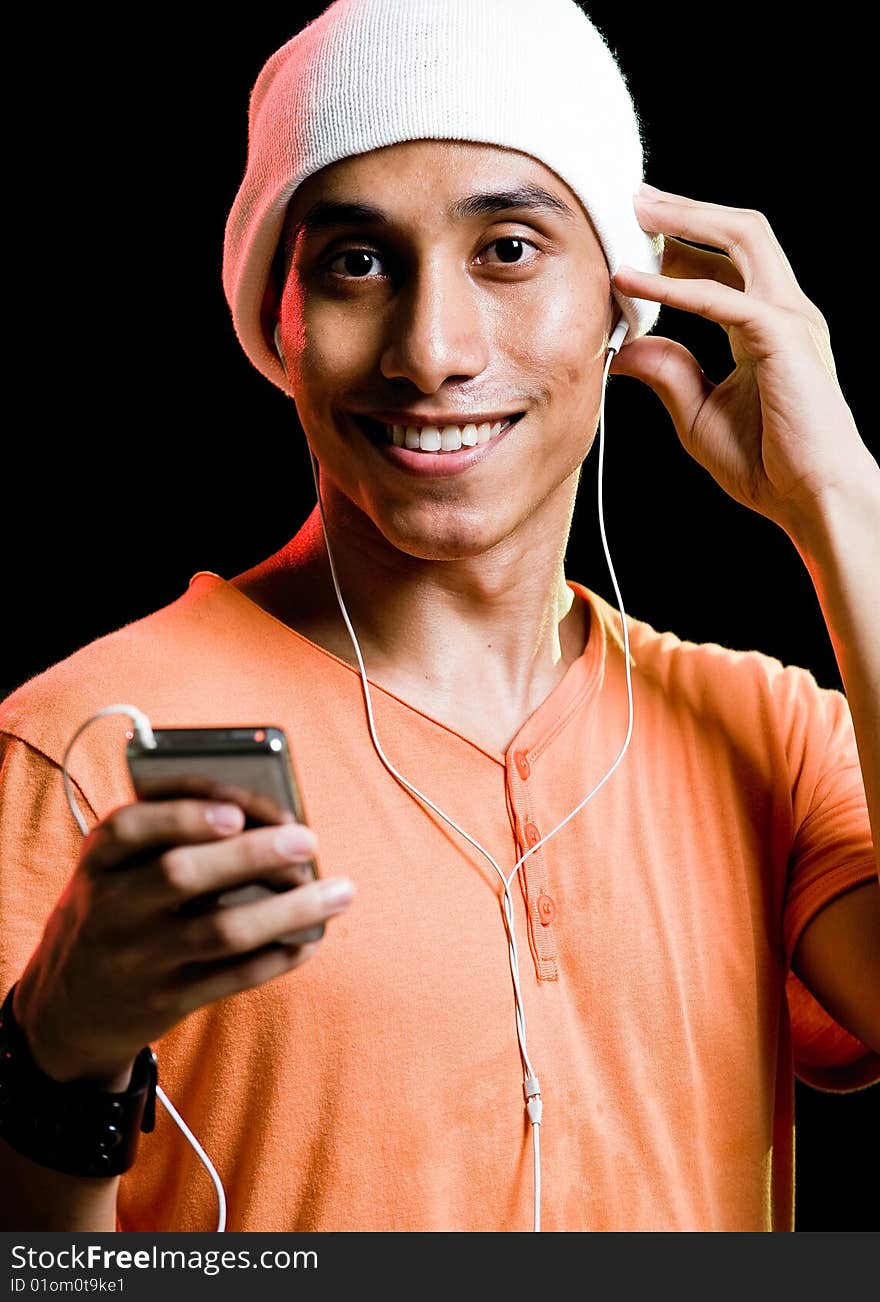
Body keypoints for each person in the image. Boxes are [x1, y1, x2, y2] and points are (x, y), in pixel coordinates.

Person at [0, 0, 877, 1233]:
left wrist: (845, 510)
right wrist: (59, 1055)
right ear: (277, 321)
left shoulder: (770, 731)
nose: (432, 350)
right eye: (357, 262)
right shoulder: (85, 744)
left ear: (627, 302)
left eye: (509, 249)